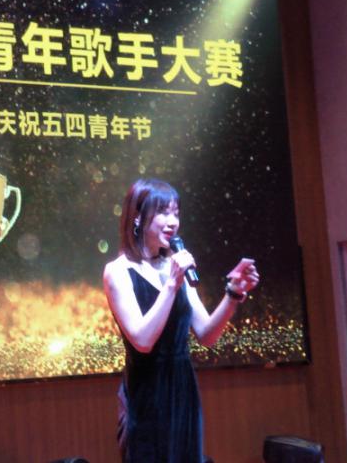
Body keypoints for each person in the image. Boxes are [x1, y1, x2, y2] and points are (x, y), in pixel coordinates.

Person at [103, 179, 260, 463]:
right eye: (163, 212)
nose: (173, 221)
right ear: (137, 217)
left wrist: (233, 294)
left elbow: (206, 334)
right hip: (145, 395)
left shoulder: (175, 267)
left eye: (176, 212)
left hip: (183, 389)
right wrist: (171, 284)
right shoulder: (118, 272)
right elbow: (142, 340)